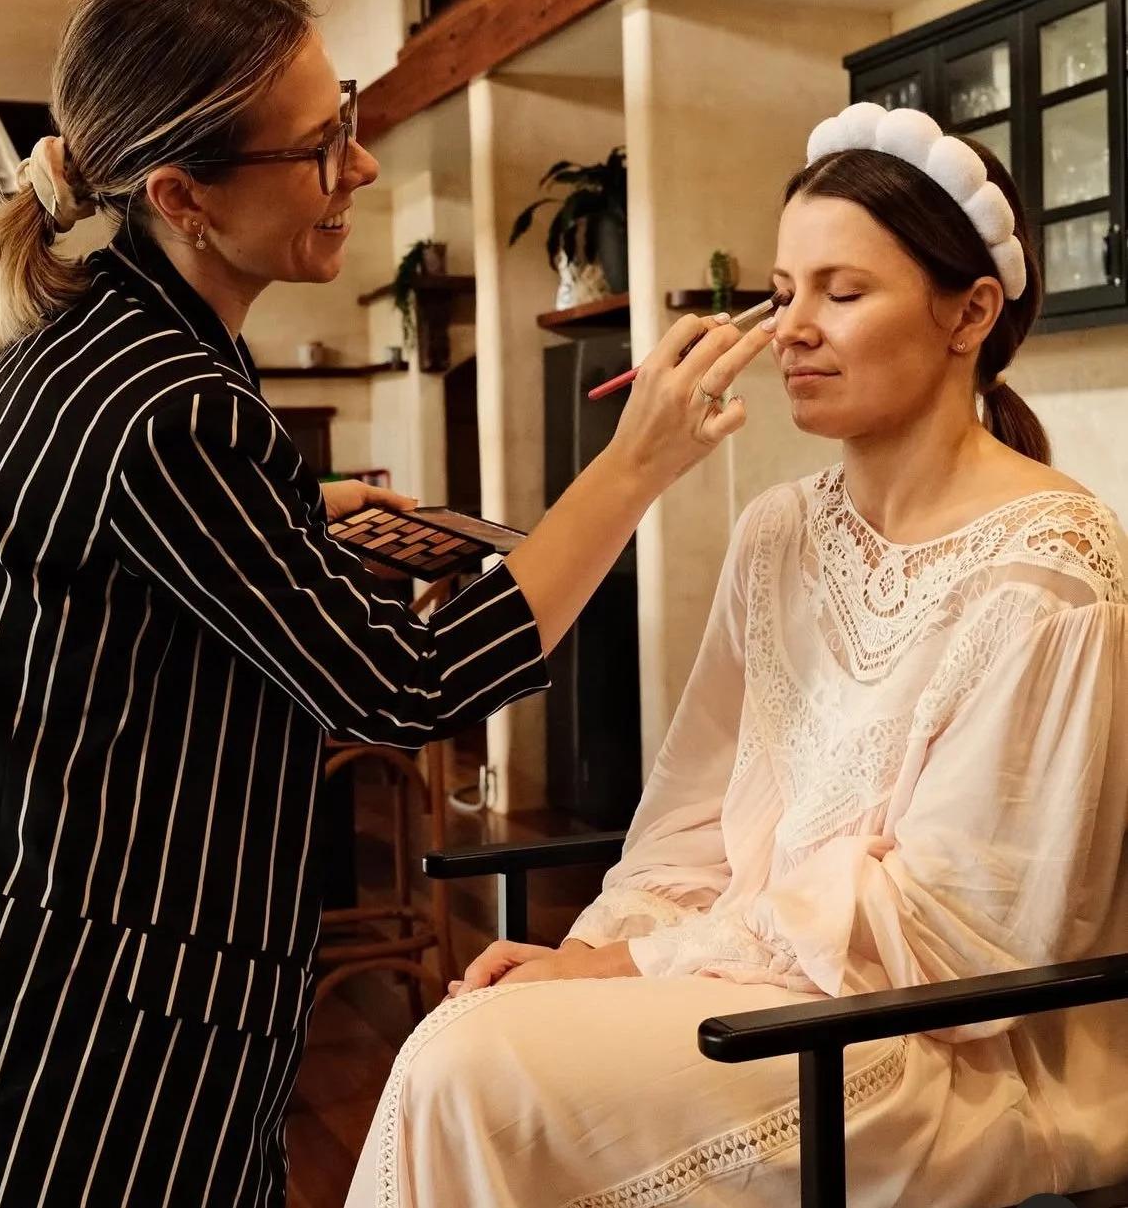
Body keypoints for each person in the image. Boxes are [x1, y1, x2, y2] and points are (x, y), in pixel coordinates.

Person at [0, 0, 773, 1207]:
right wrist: (632, 467)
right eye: (321, 146)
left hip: (45, 935)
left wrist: (292, 513)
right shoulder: (169, 407)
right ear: (185, 196)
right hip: (104, 1001)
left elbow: (130, 571)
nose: (362, 169)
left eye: (350, 122)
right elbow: (408, 682)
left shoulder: (111, 342)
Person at [347, 103, 1128, 1208]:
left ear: (971, 312)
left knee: (470, 1074)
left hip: (932, 1044)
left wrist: (631, 968)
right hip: (747, 983)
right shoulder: (777, 530)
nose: (791, 329)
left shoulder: (1051, 564)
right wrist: (598, 953)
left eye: (842, 292)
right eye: (783, 289)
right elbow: (690, 817)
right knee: (473, 1034)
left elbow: (965, 931)